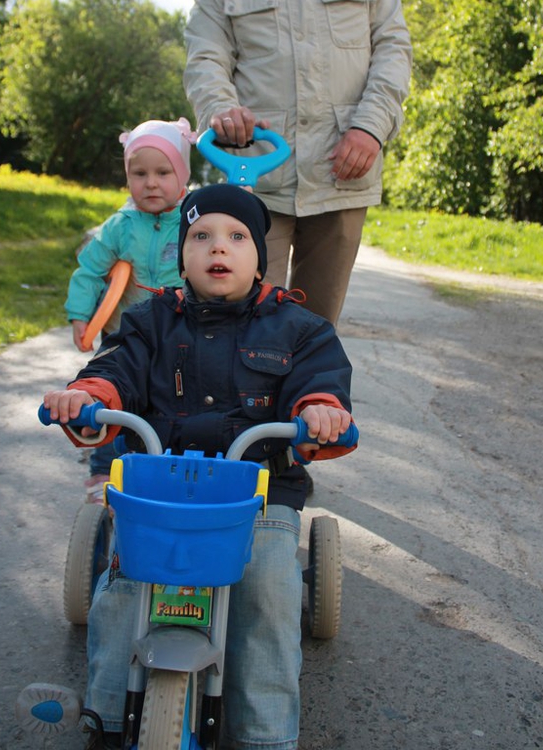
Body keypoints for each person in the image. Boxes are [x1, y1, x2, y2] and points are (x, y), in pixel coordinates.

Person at [44, 183, 356, 750]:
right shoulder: (149, 322)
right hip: (163, 493)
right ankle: (109, 718)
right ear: (180, 254)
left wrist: (320, 411)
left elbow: (320, 383)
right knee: (120, 594)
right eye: (201, 236)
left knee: (267, 592)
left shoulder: (300, 330)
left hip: (257, 497)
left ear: (260, 256)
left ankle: (265, 735)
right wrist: (86, 394)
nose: (219, 248)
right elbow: (116, 367)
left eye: (237, 237)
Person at [183, 0, 413, 328]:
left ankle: (304, 410)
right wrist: (220, 109)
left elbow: (393, 49)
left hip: (341, 174)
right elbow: (205, 60)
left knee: (313, 332)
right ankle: (238, 411)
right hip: (256, 179)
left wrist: (370, 127)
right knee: (237, 325)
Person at [64, 117, 195, 498]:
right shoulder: (120, 226)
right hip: (125, 331)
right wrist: (81, 317)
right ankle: (103, 468)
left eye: (162, 172)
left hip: (180, 331)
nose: (151, 182)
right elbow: (89, 270)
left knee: (176, 398)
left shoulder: (192, 220)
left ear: (182, 175)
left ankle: (175, 464)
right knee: (109, 397)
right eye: (139, 173)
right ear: (127, 178)